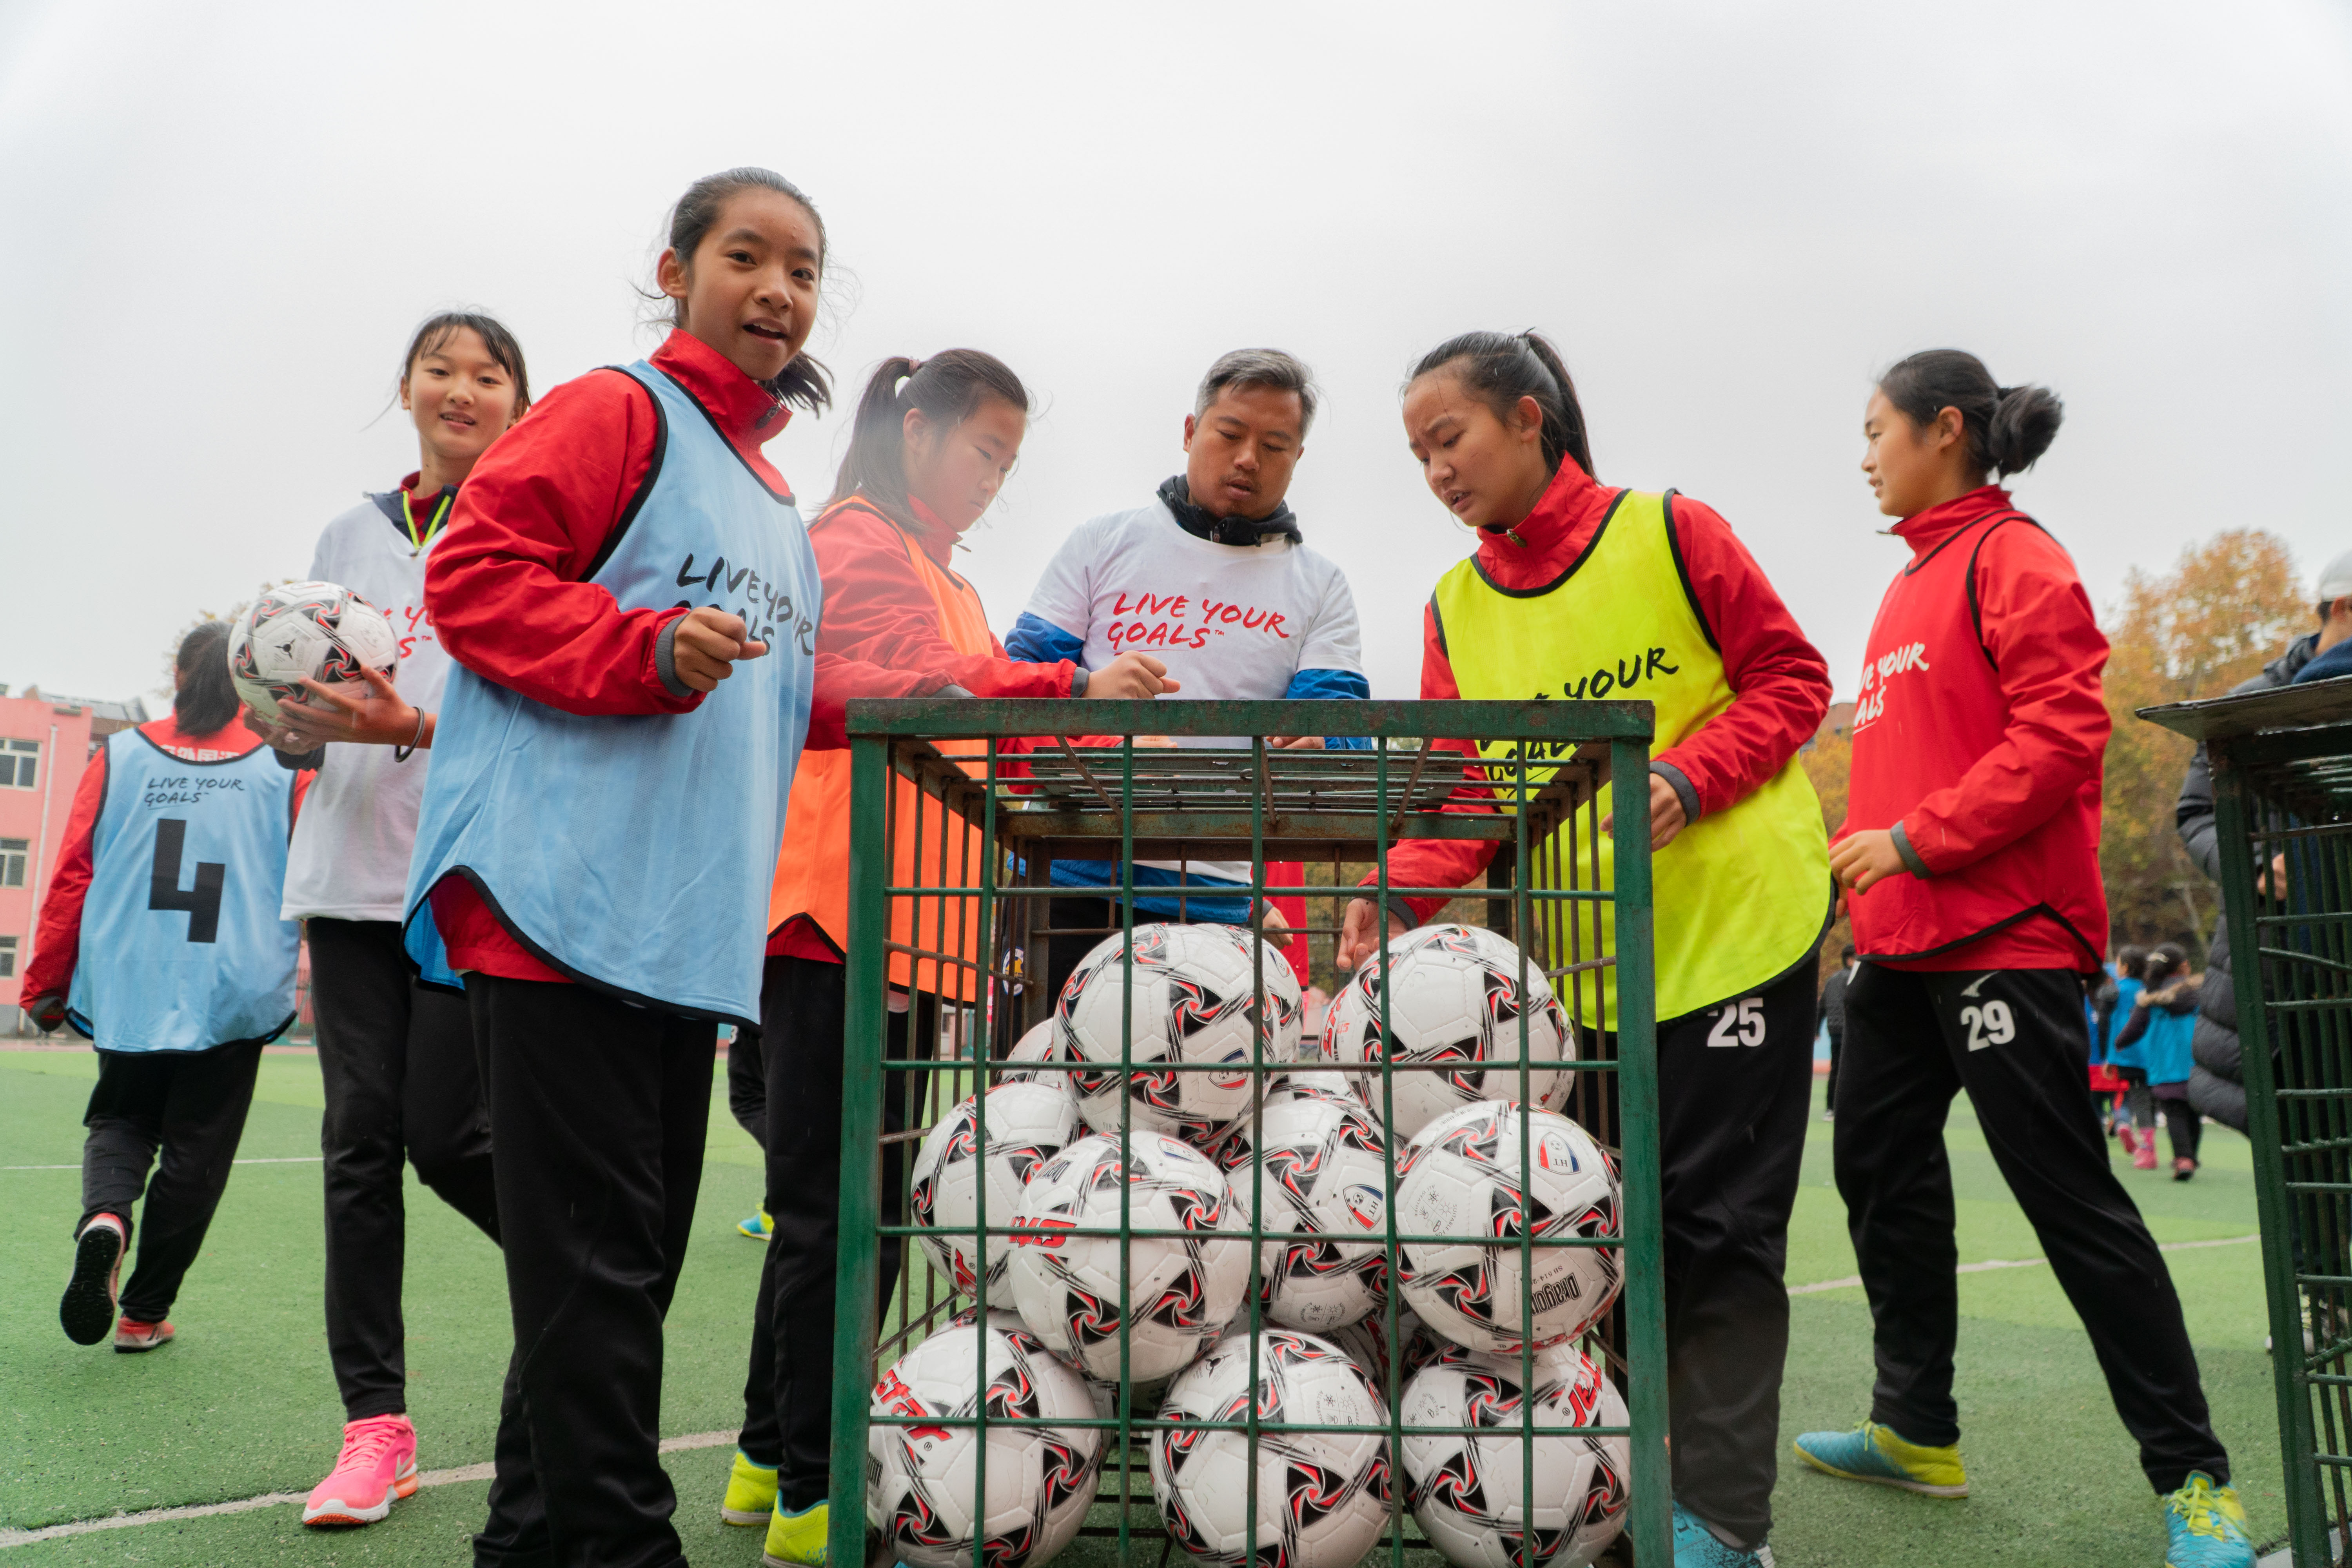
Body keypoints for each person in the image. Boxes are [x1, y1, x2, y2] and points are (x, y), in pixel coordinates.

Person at [1334, 330, 1835, 1568]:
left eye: (1447, 440)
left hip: (1736, 934)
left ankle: (1723, 1525)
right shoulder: (1452, 603)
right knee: (1589, 1236)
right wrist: (1387, 899)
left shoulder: (1672, 529)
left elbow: (1790, 677)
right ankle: (1628, 1483)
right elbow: (1459, 795)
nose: (1435, 471)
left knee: (1713, 1229)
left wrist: (1685, 770)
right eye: (1416, 455)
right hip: (1579, 980)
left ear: (1525, 416)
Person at [399, 167, 836, 1568]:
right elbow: (469, 573)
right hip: (561, 907)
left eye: (804, 268)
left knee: (610, 1283)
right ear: (675, 270)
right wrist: (639, 650)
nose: (777, 287)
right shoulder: (613, 410)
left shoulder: (776, 502)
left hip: (679, 938)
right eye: (746, 256)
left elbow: (805, 699)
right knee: (599, 1287)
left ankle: (524, 1543)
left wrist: (1019, 691)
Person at [1795, 349, 2252, 1568]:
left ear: (1943, 429)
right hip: (1894, 955)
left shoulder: (2015, 556)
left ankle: (2194, 1483)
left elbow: (2062, 735)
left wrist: (1911, 839)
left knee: (2069, 1204)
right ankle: (1915, 1430)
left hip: (2004, 938)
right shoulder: (1902, 589)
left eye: (1873, 429)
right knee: (1876, 1181)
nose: (1862, 454)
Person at [730, 349, 1173, 1564]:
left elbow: (980, 728)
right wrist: (1068, 684)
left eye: (1007, 463)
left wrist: (1074, 727)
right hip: (834, 906)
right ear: (914, 429)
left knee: (837, 1198)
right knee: (835, 1207)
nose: (991, 479)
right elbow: (898, 684)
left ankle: (767, 1456)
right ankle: (814, 1494)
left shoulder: (941, 571)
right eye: (982, 450)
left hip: (905, 925)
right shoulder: (857, 539)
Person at [237, 312, 526, 1529]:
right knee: (358, 1140)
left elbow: (536, 716)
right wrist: (291, 726)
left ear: (521, 401)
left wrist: (410, 729)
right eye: (441, 369)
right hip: (349, 874)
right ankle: (375, 1429)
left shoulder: (534, 526)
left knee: (446, 1133)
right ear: (405, 386)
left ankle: (592, 1272)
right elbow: (293, 713)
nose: (461, 389)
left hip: (465, 875)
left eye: (488, 374)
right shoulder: (348, 534)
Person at [1005, 347, 1365, 1000]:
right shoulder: (1101, 542)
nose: (1249, 458)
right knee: (1039, 1091)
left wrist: (1322, 746)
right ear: (1190, 431)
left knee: (1200, 1103)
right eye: (1230, 434)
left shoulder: (1321, 585)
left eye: (1276, 444)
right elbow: (1017, 689)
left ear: (1298, 458)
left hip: (1220, 905)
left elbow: (1340, 731)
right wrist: (1108, 747)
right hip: (1066, 884)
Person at [23, 622, 309, 1354]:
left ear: (176, 675)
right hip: (233, 985)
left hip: (130, 978)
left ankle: (107, 1218)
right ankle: (144, 1314)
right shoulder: (286, 766)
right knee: (197, 1154)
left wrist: (47, 984)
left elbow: (72, 876)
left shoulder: (117, 756)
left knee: (121, 1121)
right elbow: (311, 879)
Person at [2175, 550, 2352, 1136]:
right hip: (2280, 975)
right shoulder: (2248, 705)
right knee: (2303, 1170)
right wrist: (2252, 865)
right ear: (2344, 606)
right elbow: (2197, 813)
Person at [2111, 944, 2202, 1180]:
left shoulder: (2149, 1000)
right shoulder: (2198, 994)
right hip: (2198, 1063)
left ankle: (2183, 1158)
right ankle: (2190, 1156)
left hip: (2165, 1067)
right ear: (2183, 966)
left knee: (2175, 1112)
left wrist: (2119, 1043)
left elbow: (2133, 1030)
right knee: (2194, 1113)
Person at [2104, 947, 2156, 1165]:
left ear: (2124, 967)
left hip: (2125, 1052)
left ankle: (2124, 1123)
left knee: (2128, 1095)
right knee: (2146, 1099)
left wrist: (2110, 1057)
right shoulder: (2148, 990)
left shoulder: (2116, 990)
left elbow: (2113, 1026)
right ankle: (2147, 1145)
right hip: (2150, 1055)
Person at [1820, 945, 1856, 1118]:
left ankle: (1830, 1108)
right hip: (1852, 1030)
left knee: (1835, 1070)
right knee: (1854, 1070)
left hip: (1834, 1030)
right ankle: (1851, 1108)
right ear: (1851, 959)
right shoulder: (1857, 978)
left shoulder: (1831, 980)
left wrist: (1816, 1029)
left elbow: (1822, 1007)